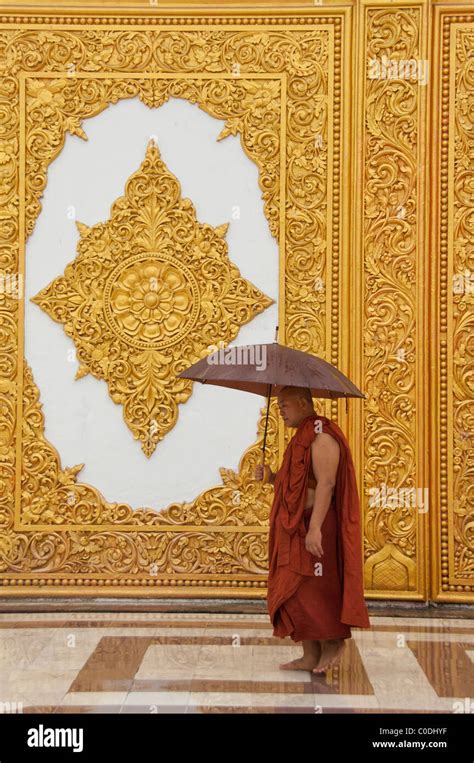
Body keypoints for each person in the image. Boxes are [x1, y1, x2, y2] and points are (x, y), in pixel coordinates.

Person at [255, 385, 370, 673]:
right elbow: (296, 483)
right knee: (296, 592)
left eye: (285, 405)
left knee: (317, 588)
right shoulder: (301, 440)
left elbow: (327, 485)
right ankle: (309, 654)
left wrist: (315, 528)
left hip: (315, 526)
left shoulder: (322, 438)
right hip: (295, 528)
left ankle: (333, 642)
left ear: (304, 403)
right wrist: (271, 477)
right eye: (279, 405)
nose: (280, 410)